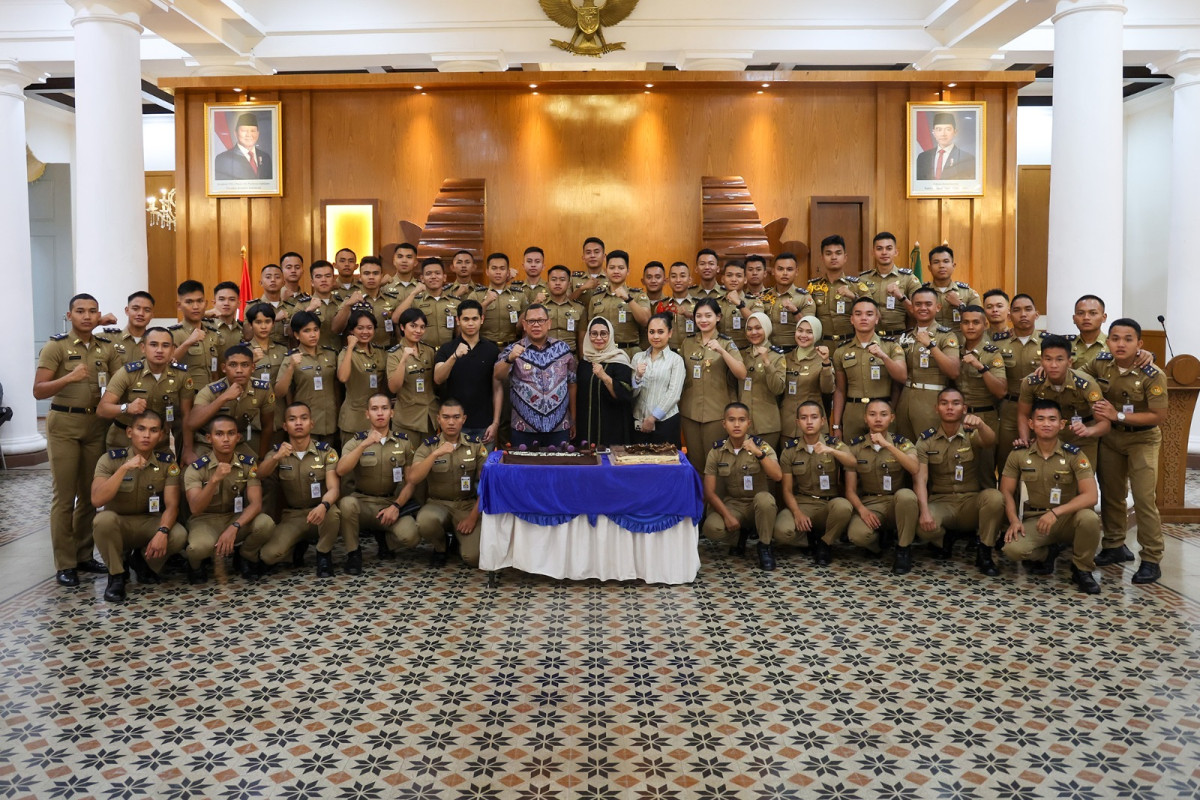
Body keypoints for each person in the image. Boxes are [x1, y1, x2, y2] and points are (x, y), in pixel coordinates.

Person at [34, 293, 126, 586]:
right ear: (69, 315)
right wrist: (68, 379)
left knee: (89, 494)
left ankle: (85, 555)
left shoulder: (106, 347)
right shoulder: (56, 346)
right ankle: (65, 562)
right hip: (64, 423)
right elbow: (39, 390)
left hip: (96, 425)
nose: (86, 316)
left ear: (98, 315)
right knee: (64, 497)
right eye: (80, 311)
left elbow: (116, 385)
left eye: (92, 311)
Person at [1085, 318, 1169, 584]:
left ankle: (1151, 558)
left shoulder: (1153, 374)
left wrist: (1117, 414)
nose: (1121, 344)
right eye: (1115, 338)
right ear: (1107, 341)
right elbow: (1076, 374)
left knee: (1144, 499)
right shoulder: (1100, 363)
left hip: (1142, 440)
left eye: (1128, 339)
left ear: (1140, 343)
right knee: (1111, 493)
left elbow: (1158, 416)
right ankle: (1114, 546)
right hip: (1111, 438)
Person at [1000, 399, 1102, 594]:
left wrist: (1056, 513)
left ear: (1061, 424)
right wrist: (1013, 520)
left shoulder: (1074, 455)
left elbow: (1091, 496)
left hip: (1067, 519)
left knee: (1089, 518)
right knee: (1012, 549)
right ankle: (1048, 553)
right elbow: (1006, 491)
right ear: (1031, 424)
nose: (1046, 424)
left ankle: (1082, 569)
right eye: (1040, 419)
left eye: (1052, 419)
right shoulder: (1019, 455)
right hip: (1036, 519)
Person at [89, 410, 187, 601]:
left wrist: (163, 532)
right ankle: (116, 576)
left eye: (153, 430)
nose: (146, 435)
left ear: (160, 435)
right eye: (141, 429)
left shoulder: (167, 463)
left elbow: (172, 505)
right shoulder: (110, 460)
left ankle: (143, 561)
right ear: (129, 432)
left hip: (148, 522)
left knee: (178, 534)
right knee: (102, 520)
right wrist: (124, 468)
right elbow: (97, 500)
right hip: (119, 523)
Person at [915, 388, 1006, 576]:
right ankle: (944, 538)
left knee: (995, 497)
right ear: (936, 408)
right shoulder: (926, 441)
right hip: (941, 502)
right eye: (944, 403)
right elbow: (920, 479)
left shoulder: (971, 434)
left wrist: (981, 424)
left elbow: (990, 441)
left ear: (964, 408)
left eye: (955, 403)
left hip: (970, 503)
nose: (950, 407)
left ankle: (985, 551)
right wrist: (924, 512)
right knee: (921, 529)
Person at [250, 402, 343, 577]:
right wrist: (276, 458)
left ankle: (323, 554)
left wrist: (323, 506)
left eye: (304, 418)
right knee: (268, 555)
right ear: (285, 426)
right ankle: (297, 546)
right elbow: (260, 475)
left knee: (334, 512)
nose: (298, 423)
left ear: (312, 423)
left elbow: (334, 489)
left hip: (320, 513)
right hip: (293, 516)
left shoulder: (326, 452)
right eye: (292, 419)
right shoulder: (278, 452)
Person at [182, 414, 275, 584]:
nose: (226, 439)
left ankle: (246, 556)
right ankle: (195, 566)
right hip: (204, 520)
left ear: (238, 437)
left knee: (265, 523)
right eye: (219, 434)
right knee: (197, 548)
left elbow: (256, 504)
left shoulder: (247, 464)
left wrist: (234, 526)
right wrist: (213, 480)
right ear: (209, 438)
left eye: (231, 433)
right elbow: (195, 508)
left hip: (235, 517)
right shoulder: (196, 469)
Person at [336, 393, 421, 571]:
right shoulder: (357, 441)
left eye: (384, 408)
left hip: (390, 504)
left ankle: (386, 540)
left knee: (411, 537)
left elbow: (410, 482)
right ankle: (354, 553)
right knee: (346, 504)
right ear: (367, 414)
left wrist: (397, 506)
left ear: (392, 413)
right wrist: (363, 445)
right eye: (374, 409)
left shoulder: (404, 442)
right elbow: (341, 470)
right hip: (363, 504)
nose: (380, 413)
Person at [407, 399, 488, 566]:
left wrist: (473, 517)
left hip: (466, 506)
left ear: (463, 419)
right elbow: (413, 478)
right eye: (446, 417)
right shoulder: (428, 447)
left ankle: (458, 542)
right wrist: (435, 454)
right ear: (439, 419)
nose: (451, 422)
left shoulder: (474, 445)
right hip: (438, 504)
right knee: (425, 521)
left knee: (473, 558)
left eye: (456, 417)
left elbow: (488, 483)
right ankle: (441, 546)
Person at [702, 402, 782, 571]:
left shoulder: (761, 446)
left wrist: (759, 454)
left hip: (758, 505)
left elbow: (777, 475)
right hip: (734, 505)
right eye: (731, 420)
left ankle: (765, 546)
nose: (737, 424)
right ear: (724, 424)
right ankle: (739, 536)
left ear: (749, 423)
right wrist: (727, 516)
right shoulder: (716, 451)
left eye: (741, 420)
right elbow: (709, 492)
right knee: (711, 528)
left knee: (765, 500)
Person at [775, 402, 856, 566]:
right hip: (803, 503)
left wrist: (831, 451)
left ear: (823, 421)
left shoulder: (834, 444)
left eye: (814, 417)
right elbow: (787, 490)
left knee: (843, 507)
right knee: (781, 532)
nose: (809, 422)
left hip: (828, 505)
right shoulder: (790, 450)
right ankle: (809, 539)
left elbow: (852, 462)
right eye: (804, 418)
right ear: (797, 422)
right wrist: (797, 513)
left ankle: (825, 544)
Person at [844, 400, 920, 573]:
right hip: (870, 503)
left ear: (892, 418)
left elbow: (914, 468)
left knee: (907, 496)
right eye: (872, 414)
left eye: (883, 414)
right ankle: (877, 545)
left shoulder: (902, 443)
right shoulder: (855, 447)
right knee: (857, 535)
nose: (878, 419)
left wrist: (888, 446)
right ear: (865, 418)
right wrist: (862, 510)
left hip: (896, 503)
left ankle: (903, 549)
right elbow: (850, 490)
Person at [98, 325, 194, 451]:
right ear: (143, 347)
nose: (159, 350)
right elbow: (102, 409)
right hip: (124, 441)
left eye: (165, 346)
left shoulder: (181, 375)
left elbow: (186, 414)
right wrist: (127, 407)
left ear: (172, 350)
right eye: (153, 345)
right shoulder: (128, 373)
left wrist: (187, 449)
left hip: (159, 442)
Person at [495, 303, 577, 448]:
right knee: (524, 470)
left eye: (541, 320)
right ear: (524, 325)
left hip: (558, 426)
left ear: (549, 323)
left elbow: (572, 384)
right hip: (524, 428)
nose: (536, 325)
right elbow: (498, 375)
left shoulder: (563, 349)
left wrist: (573, 418)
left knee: (558, 469)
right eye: (532, 321)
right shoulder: (514, 349)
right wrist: (510, 359)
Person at [1016, 335, 1107, 465]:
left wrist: (1088, 431)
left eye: (1059, 359)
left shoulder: (1086, 384)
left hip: (1082, 437)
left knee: (1083, 479)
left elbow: (1104, 423)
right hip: (1047, 437)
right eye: (1048, 359)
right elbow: (1023, 414)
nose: (1053, 365)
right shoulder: (1031, 382)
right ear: (1041, 361)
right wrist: (1025, 440)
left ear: (1069, 362)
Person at [679, 298, 747, 472]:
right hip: (690, 411)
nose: (703, 320)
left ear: (718, 317)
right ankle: (698, 499)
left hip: (716, 412)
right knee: (694, 462)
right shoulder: (688, 342)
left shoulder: (726, 342)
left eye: (708, 315)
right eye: (699, 316)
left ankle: (715, 499)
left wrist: (722, 351)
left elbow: (741, 373)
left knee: (716, 464)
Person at [185, 344, 276, 465]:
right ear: (224, 368)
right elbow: (191, 423)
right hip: (207, 443)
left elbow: (267, 426)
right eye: (233, 365)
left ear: (253, 367)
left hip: (237, 443)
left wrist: (261, 458)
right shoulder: (211, 391)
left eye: (245, 365)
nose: (239, 370)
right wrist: (223, 398)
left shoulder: (263, 389)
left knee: (259, 474)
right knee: (194, 471)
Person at [831, 297, 907, 441]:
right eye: (858, 314)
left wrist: (883, 356)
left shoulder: (890, 347)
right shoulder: (841, 351)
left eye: (869, 314)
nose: (863, 318)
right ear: (852, 319)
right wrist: (836, 425)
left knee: (886, 457)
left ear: (877, 318)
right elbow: (840, 390)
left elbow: (902, 377)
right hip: (853, 413)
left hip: (882, 413)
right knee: (853, 458)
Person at [895, 287, 959, 442]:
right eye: (918, 304)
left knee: (930, 451)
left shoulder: (946, 336)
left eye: (928, 304)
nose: (923, 308)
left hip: (931, 402)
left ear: (937, 307)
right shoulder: (905, 336)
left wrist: (931, 346)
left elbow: (954, 371)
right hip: (905, 400)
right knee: (905, 450)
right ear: (912, 307)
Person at [433, 299, 501, 443]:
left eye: (475, 319)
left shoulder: (492, 350)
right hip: (453, 425)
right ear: (458, 320)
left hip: (484, 424)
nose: (470, 323)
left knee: (484, 466)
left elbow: (497, 389)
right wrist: (454, 356)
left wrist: (495, 423)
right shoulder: (447, 349)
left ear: (482, 319)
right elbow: (438, 378)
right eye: (466, 319)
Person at [956, 306, 1006, 488]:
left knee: (985, 474)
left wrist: (981, 367)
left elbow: (1001, 390)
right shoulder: (954, 350)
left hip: (985, 417)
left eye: (976, 322)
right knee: (958, 469)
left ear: (985, 325)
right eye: (966, 322)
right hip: (957, 418)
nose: (970, 327)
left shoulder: (992, 353)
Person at [992, 293, 1043, 472]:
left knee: (1042, 463)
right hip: (1009, 409)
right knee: (1008, 462)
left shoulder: (1049, 344)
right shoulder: (997, 344)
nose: (1023, 314)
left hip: (1041, 408)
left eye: (1028, 310)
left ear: (1036, 314)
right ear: (1009, 315)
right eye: (1017, 310)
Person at [275, 311, 340, 448]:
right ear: (297, 335)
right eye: (307, 331)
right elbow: (280, 392)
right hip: (304, 422)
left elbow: (337, 386)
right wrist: (291, 367)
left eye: (316, 330)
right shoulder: (291, 358)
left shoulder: (331, 354)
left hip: (330, 419)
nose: (313, 335)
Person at [576, 316, 634, 446]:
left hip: (612, 427)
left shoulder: (620, 361)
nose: (598, 338)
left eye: (603, 334)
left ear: (611, 335)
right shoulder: (585, 362)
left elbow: (624, 396)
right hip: (586, 426)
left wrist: (604, 377)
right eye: (594, 334)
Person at [630, 312, 685, 446]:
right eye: (652, 332)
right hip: (639, 421)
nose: (655, 336)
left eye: (660, 332)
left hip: (665, 422)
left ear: (670, 333)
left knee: (665, 463)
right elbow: (631, 393)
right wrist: (637, 377)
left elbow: (674, 394)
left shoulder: (675, 360)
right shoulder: (638, 357)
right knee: (639, 463)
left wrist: (653, 417)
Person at [335, 308, 388, 445]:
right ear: (352, 331)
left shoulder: (380, 352)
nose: (365, 332)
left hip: (377, 419)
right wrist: (351, 347)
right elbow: (343, 377)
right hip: (353, 420)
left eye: (369, 328)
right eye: (360, 328)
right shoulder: (346, 353)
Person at [779, 316, 834, 441]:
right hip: (787, 425)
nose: (803, 335)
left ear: (817, 334)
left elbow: (828, 389)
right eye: (800, 330)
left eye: (809, 332)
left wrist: (826, 364)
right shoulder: (785, 357)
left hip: (814, 425)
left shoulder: (823, 358)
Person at [806, 235, 865, 351]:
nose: (833, 257)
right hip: (822, 345)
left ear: (845, 257)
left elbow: (872, 312)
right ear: (822, 257)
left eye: (838, 253)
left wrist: (853, 297)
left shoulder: (857, 285)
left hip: (850, 345)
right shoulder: (813, 287)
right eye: (828, 254)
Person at [387, 308, 438, 444]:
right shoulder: (395, 354)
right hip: (407, 419)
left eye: (422, 327)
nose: (418, 331)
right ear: (402, 327)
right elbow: (393, 387)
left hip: (429, 417)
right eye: (413, 326)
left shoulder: (429, 351)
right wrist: (403, 359)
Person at [588, 250, 650, 358]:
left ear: (628, 271)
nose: (616, 271)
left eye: (621, 268)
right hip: (602, 353)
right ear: (605, 271)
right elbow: (589, 330)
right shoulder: (596, 298)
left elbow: (646, 321)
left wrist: (628, 299)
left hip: (629, 353)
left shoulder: (638, 295)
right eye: (612, 268)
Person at [738, 312, 785, 450]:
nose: (754, 332)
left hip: (767, 425)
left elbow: (778, 388)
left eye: (758, 328)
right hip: (742, 424)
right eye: (750, 329)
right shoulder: (742, 354)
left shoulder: (776, 355)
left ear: (767, 328)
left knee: (767, 467)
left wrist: (766, 361)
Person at [859, 232, 921, 337]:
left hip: (898, 338)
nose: (884, 252)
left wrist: (901, 297)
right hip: (870, 338)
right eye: (879, 249)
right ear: (873, 252)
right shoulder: (863, 279)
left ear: (896, 252)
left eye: (888, 248)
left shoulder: (908, 278)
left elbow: (919, 313)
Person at [243, 302, 289, 440]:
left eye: (268, 321)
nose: (263, 326)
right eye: (258, 322)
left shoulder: (283, 351)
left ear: (273, 324)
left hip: (279, 416)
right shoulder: (243, 351)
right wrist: (251, 362)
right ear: (251, 325)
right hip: (252, 418)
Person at [332, 256, 399, 348]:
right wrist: (347, 306)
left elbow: (398, 331)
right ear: (360, 277)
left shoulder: (392, 300)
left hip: (385, 353)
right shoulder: (350, 300)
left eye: (375, 273)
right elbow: (336, 329)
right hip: (358, 354)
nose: (371, 277)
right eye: (366, 273)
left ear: (381, 276)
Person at [395, 257, 459, 350]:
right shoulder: (415, 300)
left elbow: (459, 332)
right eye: (428, 274)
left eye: (437, 273)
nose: (433, 277)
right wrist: (413, 293)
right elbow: (396, 319)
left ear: (444, 277)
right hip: (422, 352)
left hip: (448, 352)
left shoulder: (455, 302)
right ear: (422, 278)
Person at [170, 280, 222, 382]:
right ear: (179, 305)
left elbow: (214, 370)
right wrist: (188, 343)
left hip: (210, 394)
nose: (196, 307)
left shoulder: (213, 334)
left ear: (206, 303)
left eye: (200, 301)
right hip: (186, 394)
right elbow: (165, 364)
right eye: (189, 302)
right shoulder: (172, 334)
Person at [474, 252, 526, 348]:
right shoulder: (476, 295)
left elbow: (525, 326)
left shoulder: (519, 295)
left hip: (511, 347)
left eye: (502, 268)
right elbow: (471, 321)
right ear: (487, 271)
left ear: (507, 272)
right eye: (494, 268)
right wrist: (485, 303)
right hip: (484, 347)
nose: (498, 272)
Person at [765, 252, 814, 349]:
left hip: (794, 352)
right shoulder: (764, 297)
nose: (785, 273)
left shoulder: (804, 298)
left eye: (789, 269)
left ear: (796, 272)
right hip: (769, 352)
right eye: (780, 269)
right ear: (773, 271)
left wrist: (795, 311)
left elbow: (810, 329)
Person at [923, 245, 980, 330]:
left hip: (960, 341)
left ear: (953, 265)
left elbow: (979, 320)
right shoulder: (921, 293)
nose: (941, 265)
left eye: (946, 261)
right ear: (929, 268)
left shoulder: (968, 293)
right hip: (929, 340)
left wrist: (960, 305)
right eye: (936, 262)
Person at [915, 111, 975, 180]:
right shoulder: (922, 157)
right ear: (933, 132)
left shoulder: (967, 159)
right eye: (939, 129)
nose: (943, 134)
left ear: (955, 132)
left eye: (948, 129)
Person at [214, 112, 272, 180]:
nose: (249, 135)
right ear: (236, 133)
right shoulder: (222, 159)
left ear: (258, 134)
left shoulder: (266, 157)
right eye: (244, 130)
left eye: (253, 131)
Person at [102, 290, 156, 365]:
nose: (141, 313)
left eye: (147, 310)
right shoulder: (108, 338)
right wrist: (98, 322)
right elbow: (81, 338)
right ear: (127, 311)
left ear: (152, 315)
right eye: (135, 309)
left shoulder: (156, 344)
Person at [541, 265, 586, 354]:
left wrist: (582, 364)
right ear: (548, 283)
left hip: (570, 357)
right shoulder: (539, 307)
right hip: (544, 357)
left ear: (569, 284)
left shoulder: (579, 308)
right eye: (553, 279)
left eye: (562, 280)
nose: (557, 283)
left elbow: (582, 341)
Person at [716, 260, 758, 350]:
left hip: (745, 353)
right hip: (720, 352)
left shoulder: (754, 302)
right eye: (729, 275)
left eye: (738, 276)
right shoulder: (716, 302)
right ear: (722, 279)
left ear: (745, 280)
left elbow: (758, 323)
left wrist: (739, 304)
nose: (734, 279)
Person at [663, 261, 698, 350]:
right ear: (668, 280)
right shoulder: (662, 305)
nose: (678, 280)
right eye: (674, 276)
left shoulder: (699, 304)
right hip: (669, 354)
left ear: (690, 280)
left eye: (682, 276)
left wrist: (691, 316)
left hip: (694, 352)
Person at [1071, 294, 1109, 370]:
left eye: (1093, 313)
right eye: (1081, 313)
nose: (1086, 317)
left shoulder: (1113, 344)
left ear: (1104, 317)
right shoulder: (1065, 345)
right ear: (1074, 319)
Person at [208, 281, 244, 357]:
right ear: (214, 303)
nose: (226, 303)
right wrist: (204, 314)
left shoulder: (243, 329)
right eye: (221, 299)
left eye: (232, 299)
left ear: (238, 304)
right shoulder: (203, 326)